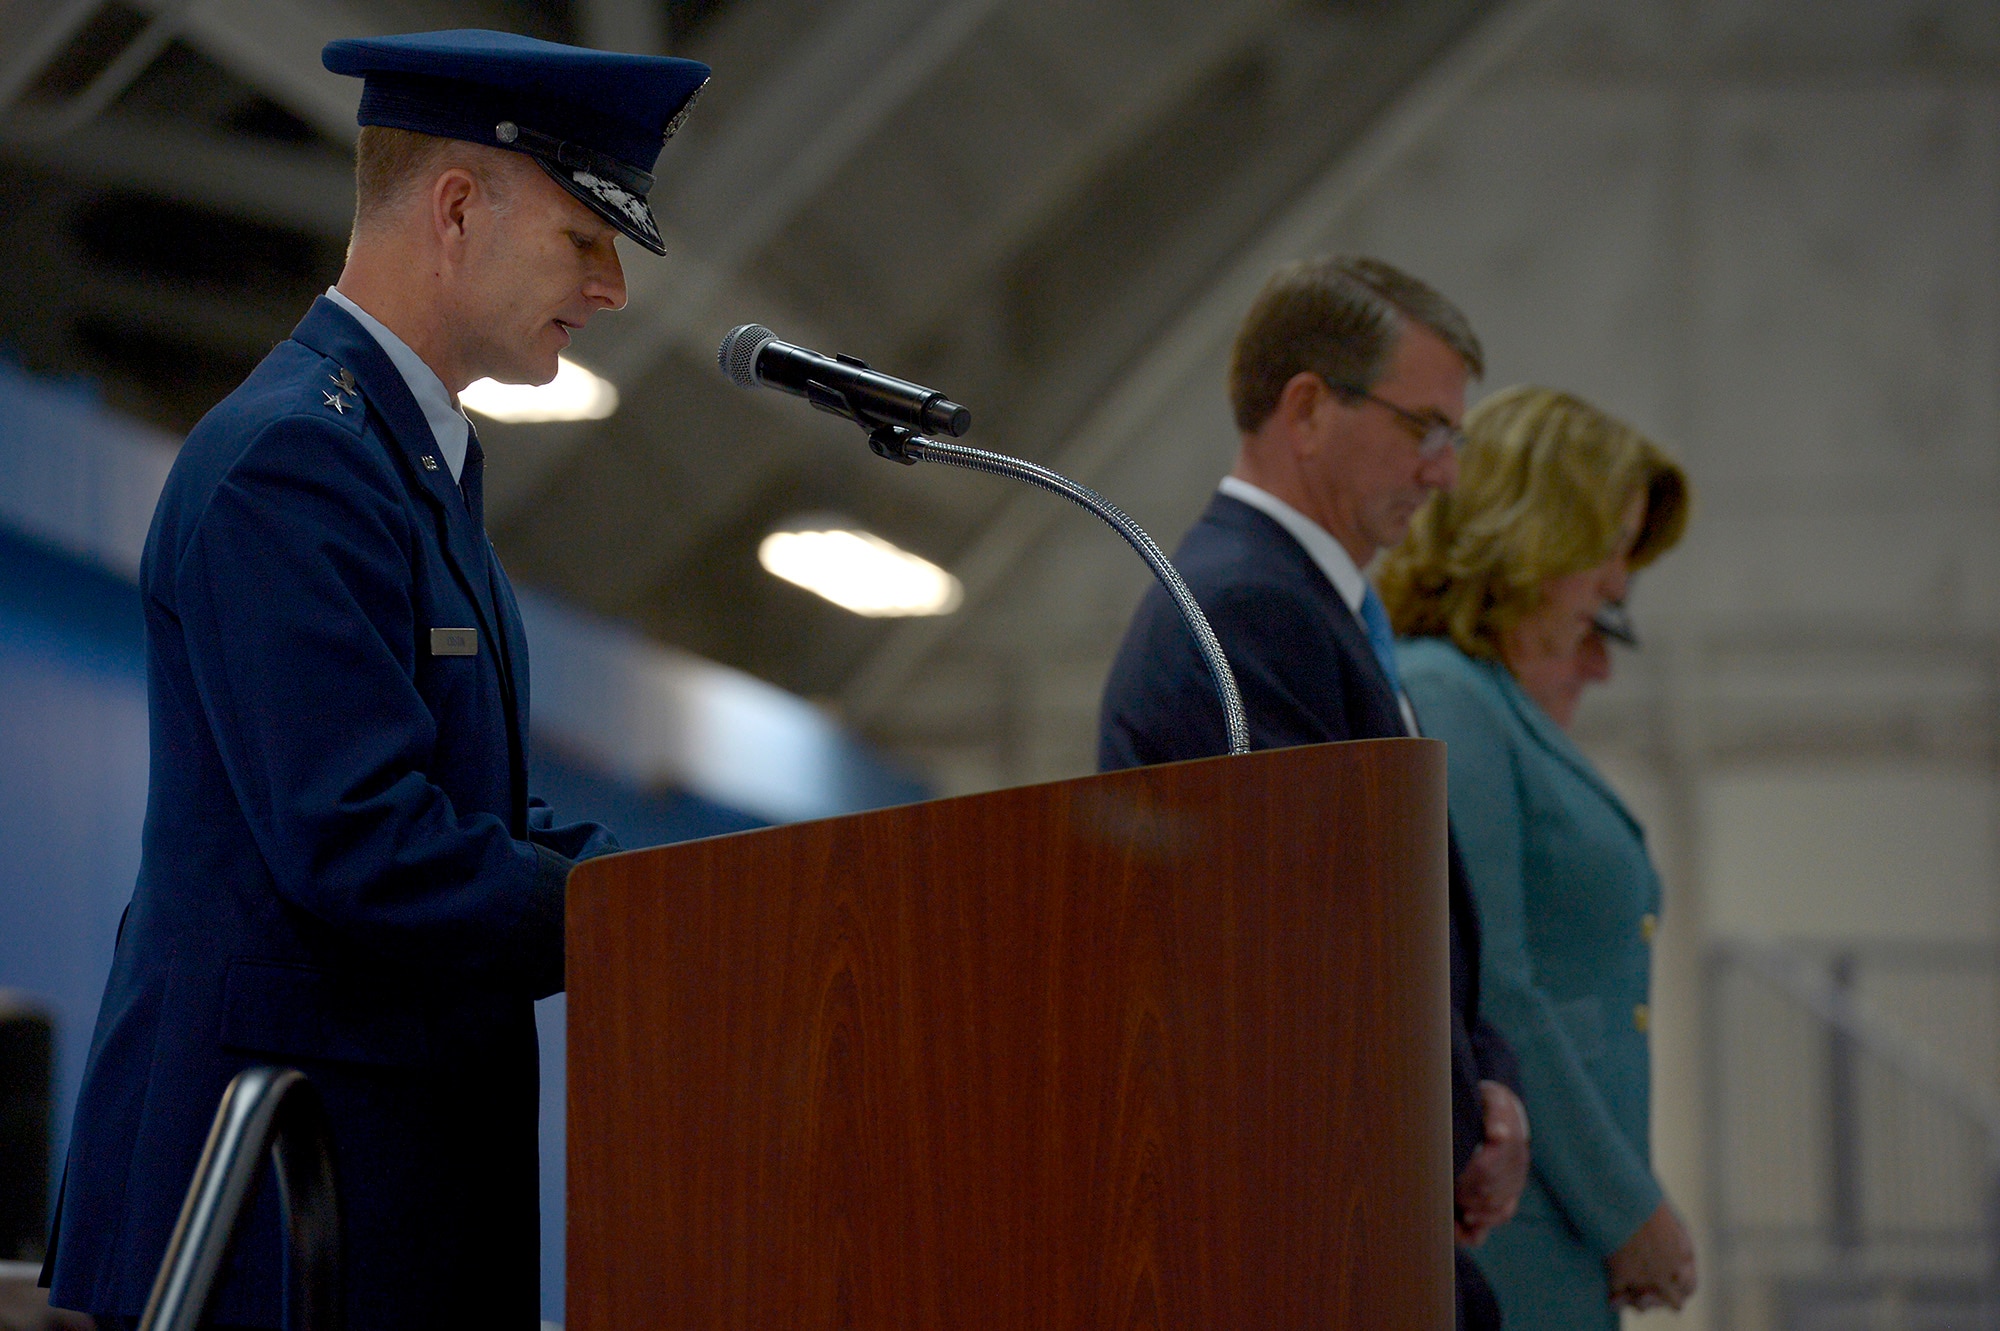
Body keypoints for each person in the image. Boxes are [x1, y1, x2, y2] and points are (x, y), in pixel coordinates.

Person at [43, 30, 711, 1330]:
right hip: (265, 1221)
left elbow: (476, 817)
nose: (613, 287)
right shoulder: (297, 459)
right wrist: (651, 918)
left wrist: (683, 891)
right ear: (459, 208)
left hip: (354, 1192)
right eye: (587, 237)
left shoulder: (404, 461)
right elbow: (363, 843)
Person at [1098, 255, 1528, 1330]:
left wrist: (1485, 1082)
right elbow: (1313, 938)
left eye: (1453, 440)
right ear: (1305, 409)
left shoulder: (1307, 606)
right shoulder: (1249, 608)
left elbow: (1406, 905)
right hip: (1308, 1226)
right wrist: (1453, 1132)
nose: (1442, 473)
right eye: (1424, 429)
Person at [1380, 385, 1695, 1327]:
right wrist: (1627, 1209)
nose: (1618, 583)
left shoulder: (1496, 705)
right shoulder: (1452, 693)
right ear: (1534, 529)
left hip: (1553, 1219)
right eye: (1609, 544)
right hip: (1524, 1221)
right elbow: (1498, 985)